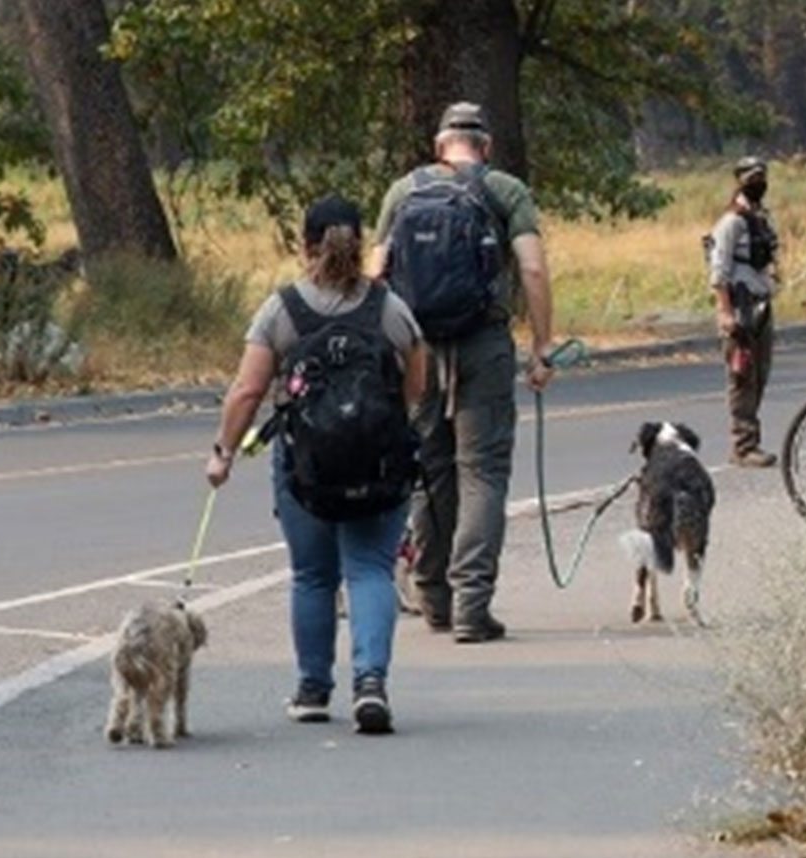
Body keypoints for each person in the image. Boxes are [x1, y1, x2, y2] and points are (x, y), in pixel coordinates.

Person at [210, 195, 427, 733]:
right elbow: (417, 387)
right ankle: (370, 683)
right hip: (378, 466)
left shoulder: (282, 310)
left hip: (305, 467)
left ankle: (312, 689)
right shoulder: (389, 308)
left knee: (312, 575)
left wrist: (224, 453)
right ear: (359, 244)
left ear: (305, 245)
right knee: (371, 569)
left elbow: (247, 391)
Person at [372, 102, 551, 644]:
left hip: (418, 346)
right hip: (483, 344)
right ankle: (473, 603)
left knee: (430, 470)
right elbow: (534, 266)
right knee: (484, 472)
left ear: (438, 144)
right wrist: (542, 346)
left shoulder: (403, 192)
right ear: (486, 146)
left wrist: (383, 350)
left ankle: (433, 597)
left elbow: (376, 274)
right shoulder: (504, 190)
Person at [705, 156, 780, 468]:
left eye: (761, 175)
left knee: (760, 375)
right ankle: (743, 445)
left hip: (762, 304)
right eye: (751, 177)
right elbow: (718, 270)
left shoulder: (761, 218)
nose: (757, 182)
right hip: (740, 307)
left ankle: (750, 439)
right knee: (742, 378)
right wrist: (725, 313)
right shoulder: (731, 222)